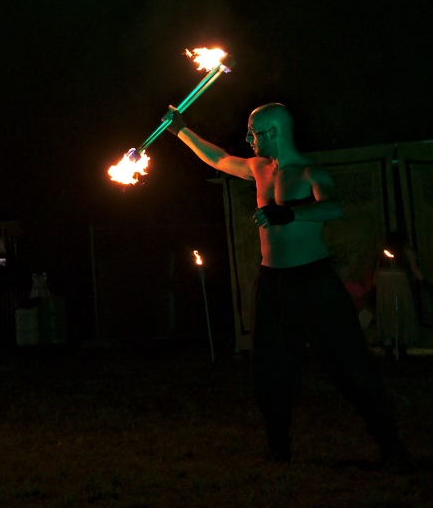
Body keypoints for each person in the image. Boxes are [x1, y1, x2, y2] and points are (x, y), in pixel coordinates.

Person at [164, 102, 413, 470]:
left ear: (275, 133)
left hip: (314, 282)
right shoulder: (259, 169)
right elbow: (218, 159)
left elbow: (333, 207)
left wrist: (291, 212)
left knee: (350, 365)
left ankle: (390, 444)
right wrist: (181, 130)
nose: (249, 140)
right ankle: (278, 446)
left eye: (255, 133)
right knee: (269, 370)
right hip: (274, 284)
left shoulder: (310, 172)